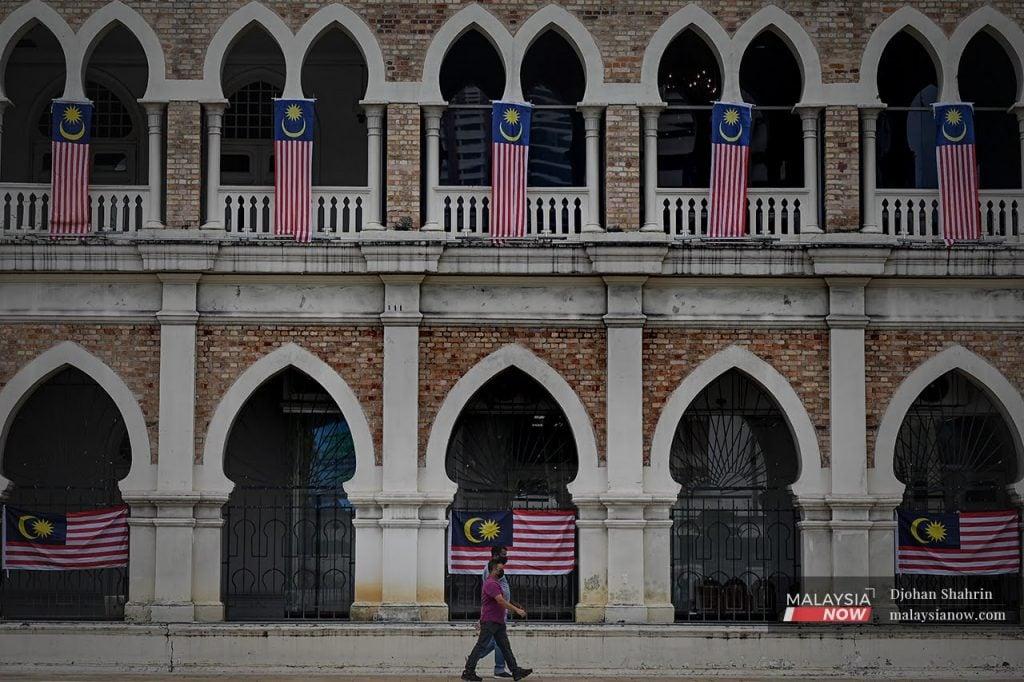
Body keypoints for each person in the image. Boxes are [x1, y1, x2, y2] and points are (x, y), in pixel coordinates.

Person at [461, 557, 532, 682]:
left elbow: (501, 600)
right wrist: (516, 610)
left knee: (505, 647)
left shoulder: (495, 583)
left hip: (498, 621)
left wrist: (513, 604)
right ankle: (468, 671)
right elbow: (500, 600)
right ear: (493, 570)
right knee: (481, 646)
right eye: (500, 569)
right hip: (490, 621)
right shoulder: (491, 584)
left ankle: (515, 671)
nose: (502, 571)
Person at [477, 546, 514, 677]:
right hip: (496, 611)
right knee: (499, 641)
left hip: (500, 611)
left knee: (496, 640)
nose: (506, 557)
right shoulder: (491, 570)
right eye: (503, 554)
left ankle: (474, 657)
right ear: (495, 555)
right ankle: (499, 669)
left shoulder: (497, 569)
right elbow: (492, 592)